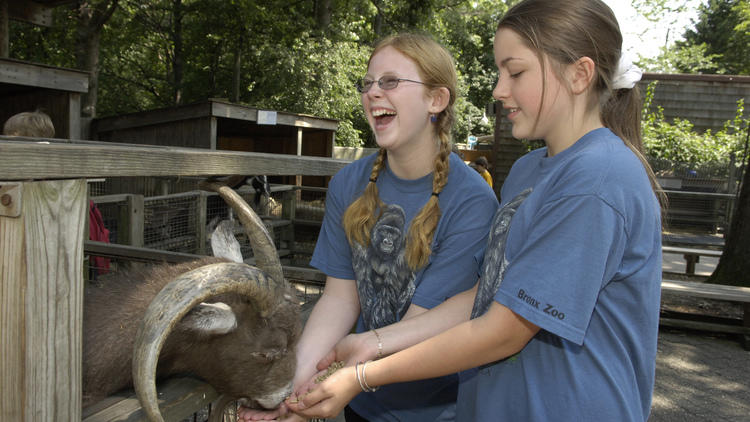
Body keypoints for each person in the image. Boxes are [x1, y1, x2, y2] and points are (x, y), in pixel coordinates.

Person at [286, 1, 664, 421]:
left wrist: (362, 376)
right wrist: (371, 343)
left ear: (579, 74)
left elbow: (503, 331)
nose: (500, 90)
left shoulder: (596, 179)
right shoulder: (526, 171)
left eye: (515, 72)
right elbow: (486, 294)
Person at [239, 33, 498, 421]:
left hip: (436, 409)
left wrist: (313, 395)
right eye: (368, 83)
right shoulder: (348, 184)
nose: (373, 92)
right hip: (361, 401)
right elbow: (341, 299)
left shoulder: (472, 201)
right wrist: (289, 389)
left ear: (436, 100)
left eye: (391, 81)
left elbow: (421, 324)